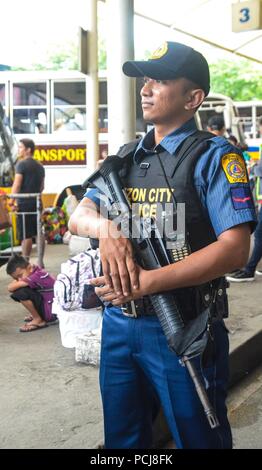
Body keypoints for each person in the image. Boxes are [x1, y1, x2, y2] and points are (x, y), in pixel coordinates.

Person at [69, 41, 256, 449]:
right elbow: (78, 215)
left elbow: (235, 249)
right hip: (119, 323)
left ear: (193, 98)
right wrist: (107, 231)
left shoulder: (214, 157)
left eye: (161, 80)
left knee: (198, 437)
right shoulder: (125, 159)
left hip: (184, 325)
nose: (146, 89)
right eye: (145, 80)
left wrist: (149, 283)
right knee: (122, 442)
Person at [10, 138, 45, 262]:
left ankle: (25, 262)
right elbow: (42, 187)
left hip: (24, 204)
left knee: (26, 234)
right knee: (39, 233)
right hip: (37, 203)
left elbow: (17, 184)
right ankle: (40, 261)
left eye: (20, 147)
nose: (19, 150)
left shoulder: (21, 164)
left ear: (28, 150)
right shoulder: (40, 166)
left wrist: (11, 201)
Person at [6, 254, 57, 332]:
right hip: (52, 309)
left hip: (51, 313)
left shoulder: (35, 276)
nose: (19, 279)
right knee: (22, 289)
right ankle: (37, 315)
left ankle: (38, 320)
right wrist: (18, 280)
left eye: (20, 275)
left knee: (21, 293)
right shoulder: (35, 270)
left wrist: (16, 282)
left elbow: (10, 288)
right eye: (16, 278)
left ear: (29, 268)